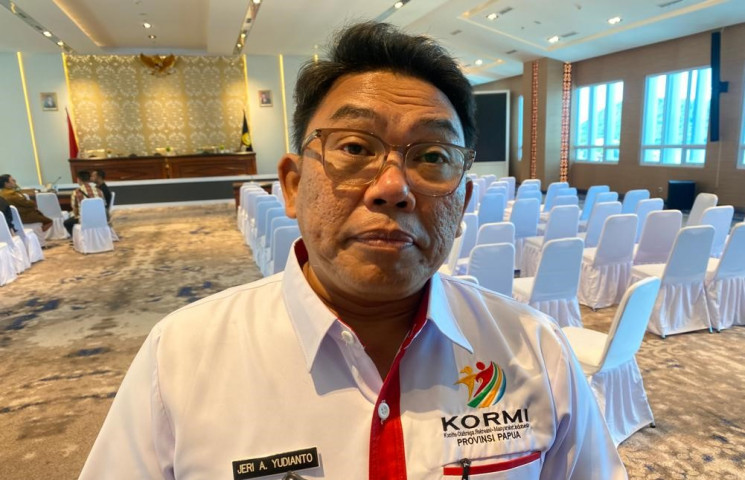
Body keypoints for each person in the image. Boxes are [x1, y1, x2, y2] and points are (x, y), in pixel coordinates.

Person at [80, 22, 627, 479]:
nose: (392, 187)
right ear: (293, 186)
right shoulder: (180, 357)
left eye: (432, 156)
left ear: (462, 201)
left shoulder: (535, 351)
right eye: (355, 147)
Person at [63, 170, 105, 235]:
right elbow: (103, 205)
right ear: (89, 179)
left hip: (85, 220)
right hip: (99, 218)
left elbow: (75, 209)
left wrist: (77, 215)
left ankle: (77, 238)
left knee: (67, 223)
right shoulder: (99, 191)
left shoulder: (75, 192)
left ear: (78, 179)